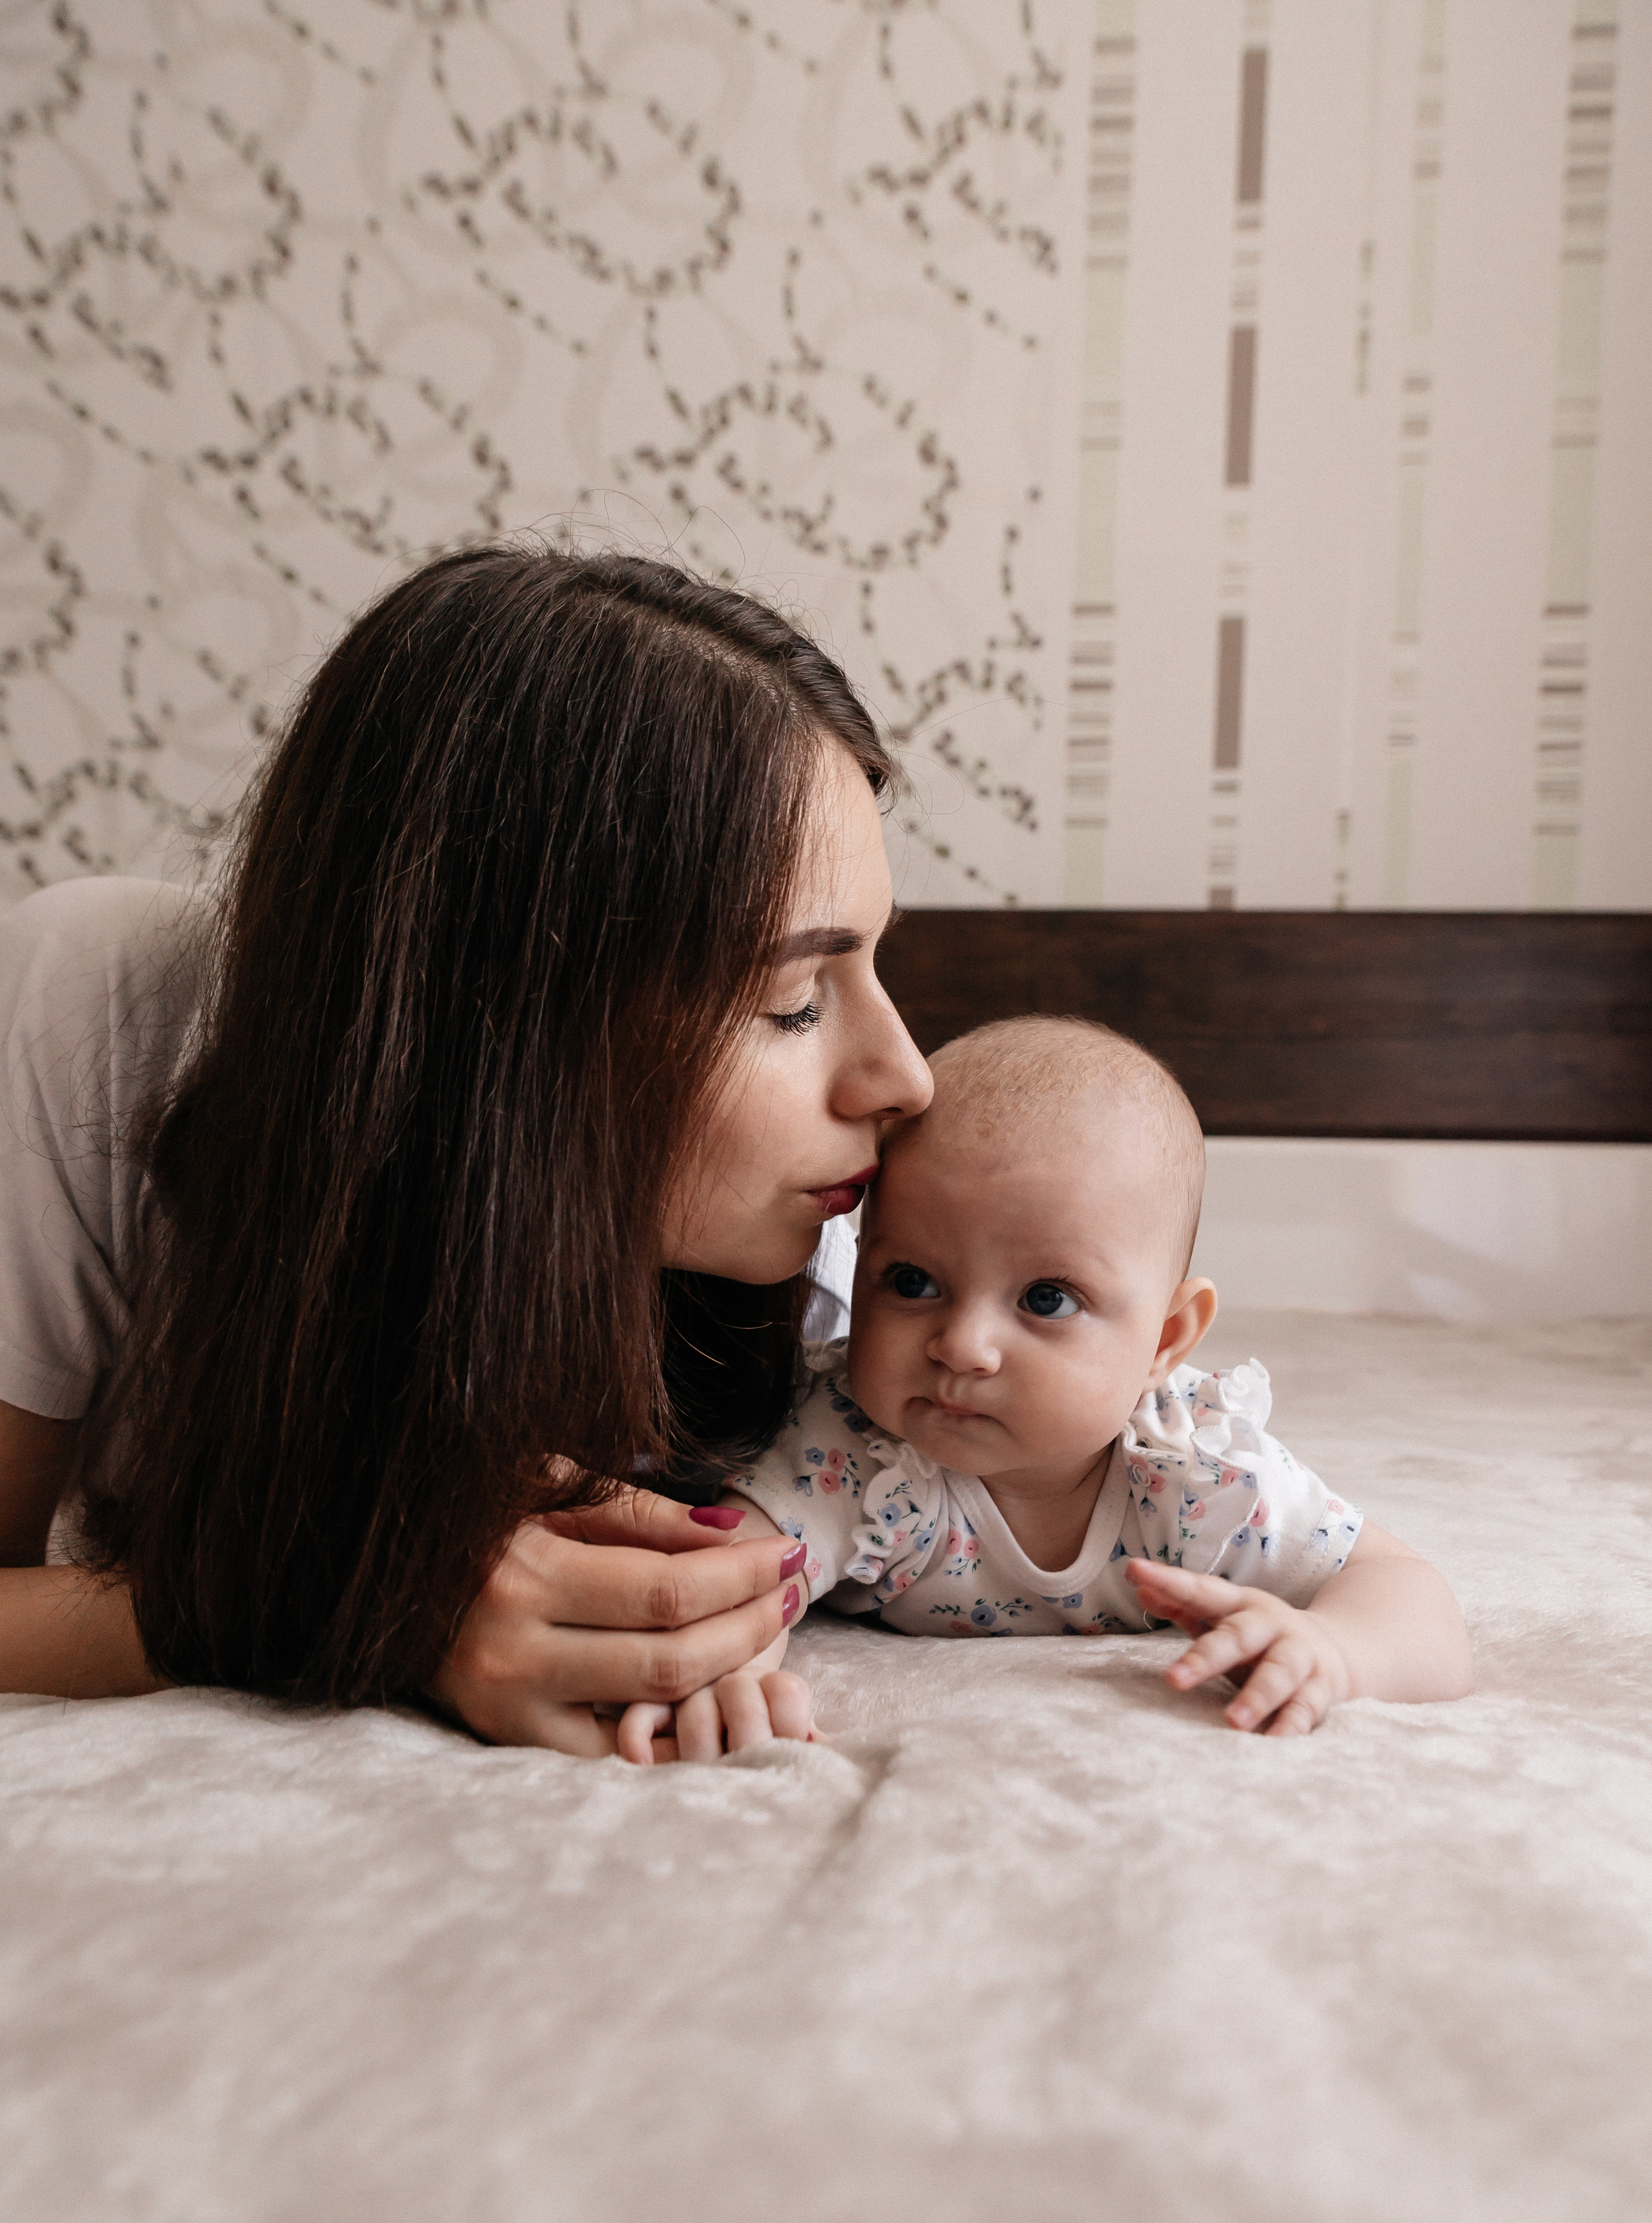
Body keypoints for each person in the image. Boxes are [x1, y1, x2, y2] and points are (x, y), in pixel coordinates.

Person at [0, 542, 932, 1754]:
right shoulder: (100, 1005)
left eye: (874, 961)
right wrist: (361, 1613)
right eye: (792, 1002)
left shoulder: (833, 1238)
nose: (906, 1077)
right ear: (510, 1015)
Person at [627, 1016, 1471, 1755]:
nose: (962, 1345)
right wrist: (729, 1670)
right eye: (913, 1281)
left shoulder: (1197, 1482)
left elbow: (1413, 1596)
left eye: (1046, 1299)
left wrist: (1335, 1649)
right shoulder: (853, 1451)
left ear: (1164, 1342)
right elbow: (732, 1577)